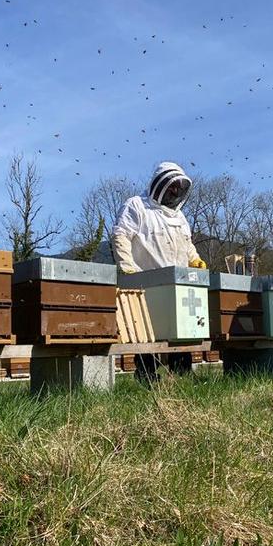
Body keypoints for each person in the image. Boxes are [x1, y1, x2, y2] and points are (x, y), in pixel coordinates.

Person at [112, 161, 207, 383]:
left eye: (178, 189)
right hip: (147, 283)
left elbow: (187, 245)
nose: (174, 192)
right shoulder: (137, 206)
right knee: (147, 330)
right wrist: (126, 267)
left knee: (182, 329)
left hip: (179, 283)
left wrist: (195, 260)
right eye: (171, 187)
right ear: (160, 184)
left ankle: (182, 373)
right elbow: (121, 236)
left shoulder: (180, 217)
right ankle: (146, 376)